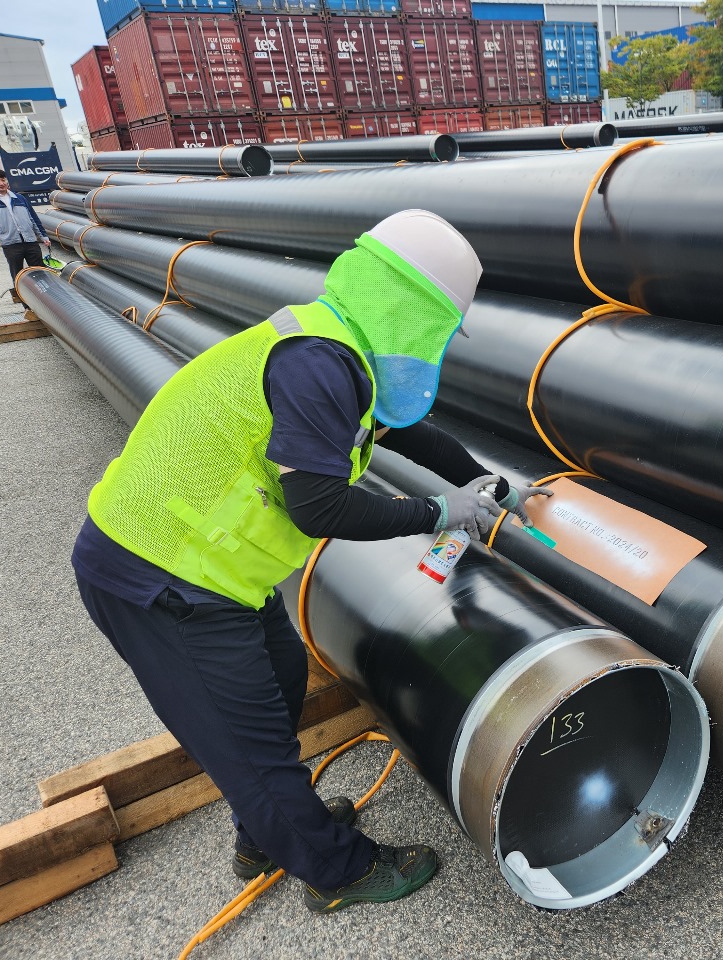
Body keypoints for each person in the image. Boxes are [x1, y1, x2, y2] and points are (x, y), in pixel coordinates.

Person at [70, 209, 552, 914]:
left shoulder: (345, 348)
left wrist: (491, 484)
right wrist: (438, 512)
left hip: (216, 575)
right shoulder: (316, 365)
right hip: (157, 574)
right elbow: (318, 509)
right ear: (413, 311)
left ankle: (267, 832)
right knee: (251, 744)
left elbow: (413, 436)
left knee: (280, 677)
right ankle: (338, 872)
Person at [0, 168, 50, 298]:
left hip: (30, 242)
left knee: (40, 272)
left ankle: (47, 300)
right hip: (11, 245)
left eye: (3, 180)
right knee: (18, 276)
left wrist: (43, 236)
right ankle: (26, 305)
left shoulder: (20, 198)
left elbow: (33, 218)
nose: (1, 183)